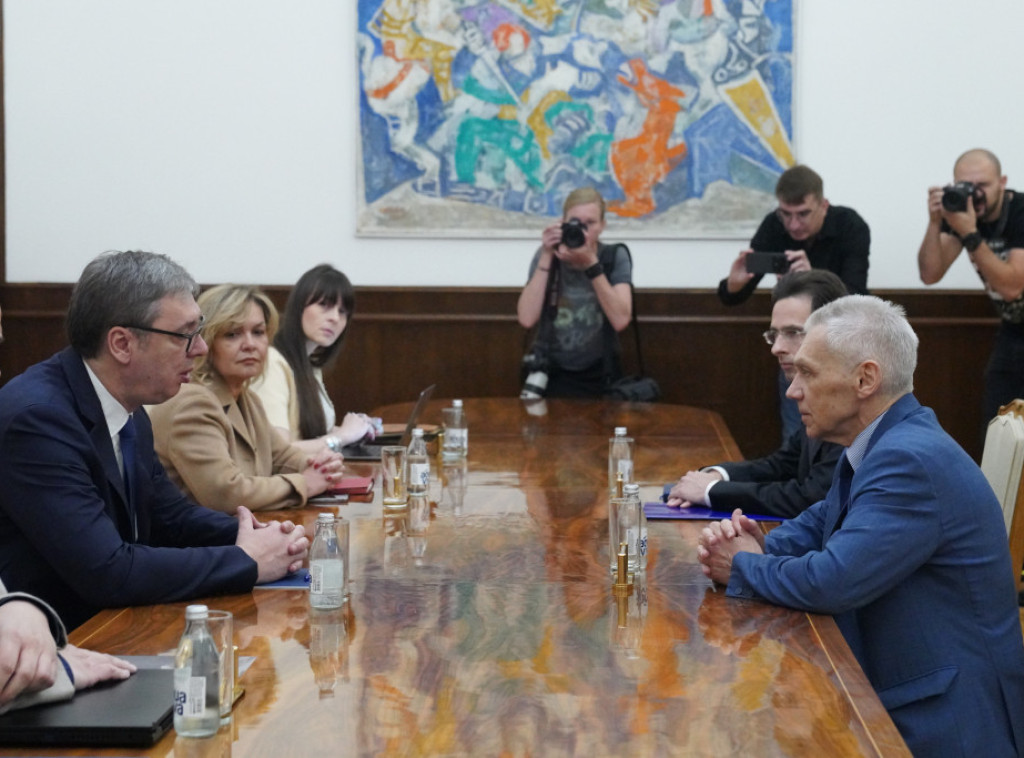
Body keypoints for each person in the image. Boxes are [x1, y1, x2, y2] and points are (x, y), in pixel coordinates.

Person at [697, 295, 1024, 757]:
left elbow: (833, 581)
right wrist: (757, 542)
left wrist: (745, 565)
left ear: (865, 379)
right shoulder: (887, 441)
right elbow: (821, 522)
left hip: (944, 724)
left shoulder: (908, 458)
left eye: (808, 373)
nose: (793, 391)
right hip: (902, 690)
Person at [0, 251, 309, 631]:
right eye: (185, 335)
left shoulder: (130, 408)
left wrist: (263, 537)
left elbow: (170, 519)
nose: (200, 348)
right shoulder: (38, 421)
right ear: (122, 344)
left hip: (117, 626)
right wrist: (247, 560)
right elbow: (107, 571)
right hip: (59, 642)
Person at [148, 284, 344, 513]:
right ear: (206, 341)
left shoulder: (247, 399)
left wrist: (321, 466)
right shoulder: (191, 402)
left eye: (258, 332)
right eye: (232, 334)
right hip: (199, 535)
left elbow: (282, 458)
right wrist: (305, 484)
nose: (250, 344)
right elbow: (226, 493)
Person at [667, 271, 846, 517]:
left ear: (834, 333)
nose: (776, 348)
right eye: (774, 335)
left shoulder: (850, 401)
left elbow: (813, 496)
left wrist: (711, 491)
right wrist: (718, 476)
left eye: (793, 333)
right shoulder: (817, 394)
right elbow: (784, 464)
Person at [718, 165, 870, 441]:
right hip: (794, 351)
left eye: (803, 214)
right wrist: (734, 283)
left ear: (823, 205)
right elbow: (732, 297)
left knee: (842, 435)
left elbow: (857, 299)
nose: (793, 224)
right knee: (795, 434)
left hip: (842, 351)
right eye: (786, 214)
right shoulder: (773, 226)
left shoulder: (850, 225)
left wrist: (814, 277)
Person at [917, 148, 1024, 426]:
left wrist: (970, 234)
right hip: (1013, 329)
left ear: (1002, 183)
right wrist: (935, 223)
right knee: (997, 424)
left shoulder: (1019, 212)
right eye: (966, 185)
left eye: (983, 185)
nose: (975, 194)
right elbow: (930, 274)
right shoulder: (961, 214)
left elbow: (1012, 287)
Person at [516, 187, 633, 398]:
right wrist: (546, 255)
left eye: (590, 223)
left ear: (602, 226)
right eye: (575, 222)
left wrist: (592, 266)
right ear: (562, 223)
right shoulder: (546, 256)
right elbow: (526, 318)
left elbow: (621, 320)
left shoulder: (613, 257)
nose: (582, 230)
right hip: (550, 371)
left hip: (601, 372)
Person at [250, 264, 375, 457]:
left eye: (342, 311)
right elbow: (277, 452)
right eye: (324, 305)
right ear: (299, 306)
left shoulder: (309, 364)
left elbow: (308, 433)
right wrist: (341, 437)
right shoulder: (273, 363)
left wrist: (356, 430)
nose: (335, 318)